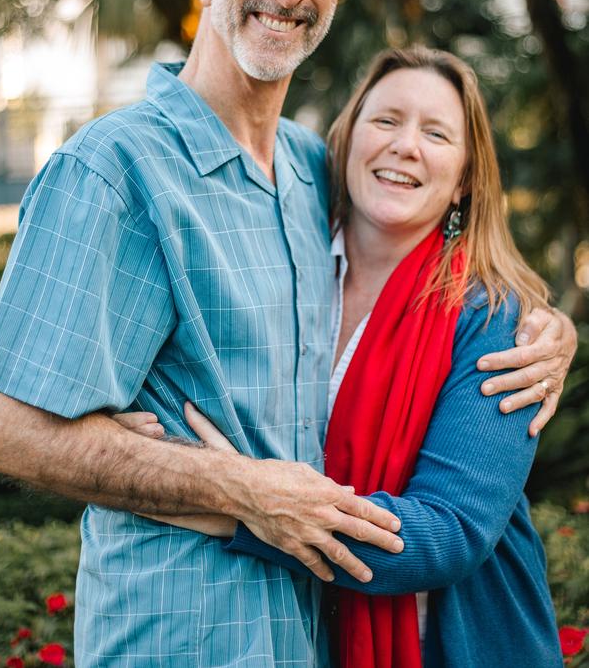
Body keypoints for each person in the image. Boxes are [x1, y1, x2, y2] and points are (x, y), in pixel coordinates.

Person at [0, 0, 573, 668]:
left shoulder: (309, 170)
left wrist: (548, 330)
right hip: (177, 642)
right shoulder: (113, 170)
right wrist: (235, 489)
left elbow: (435, 251)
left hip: (315, 639)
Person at [160, 47, 562, 667]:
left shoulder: (492, 318)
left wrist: (239, 509)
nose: (406, 145)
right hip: (299, 632)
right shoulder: (287, 266)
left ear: (463, 180)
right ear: (346, 143)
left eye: (436, 133)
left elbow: (447, 535)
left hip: (447, 647)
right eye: (386, 121)